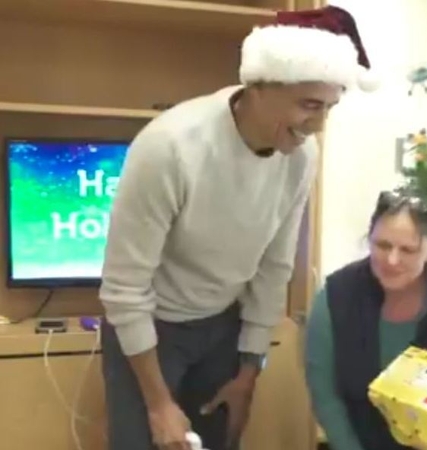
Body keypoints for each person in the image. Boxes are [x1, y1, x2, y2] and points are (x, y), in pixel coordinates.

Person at [98, 6, 379, 450]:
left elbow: (274, 267)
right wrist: (158, 403)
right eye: (309, 105)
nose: (319, 124)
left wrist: (249, 371)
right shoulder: (170, 147)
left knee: (218, 441)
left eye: (329, 107)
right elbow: (123, 289)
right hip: (152, 330)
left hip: (223, 327)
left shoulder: (302, 157)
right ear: (259, 86)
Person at [305, 189, 427, 450]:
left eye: (408, 250)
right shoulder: (337, 295)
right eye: (382, 245)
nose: (392, 260)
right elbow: (326, 395)